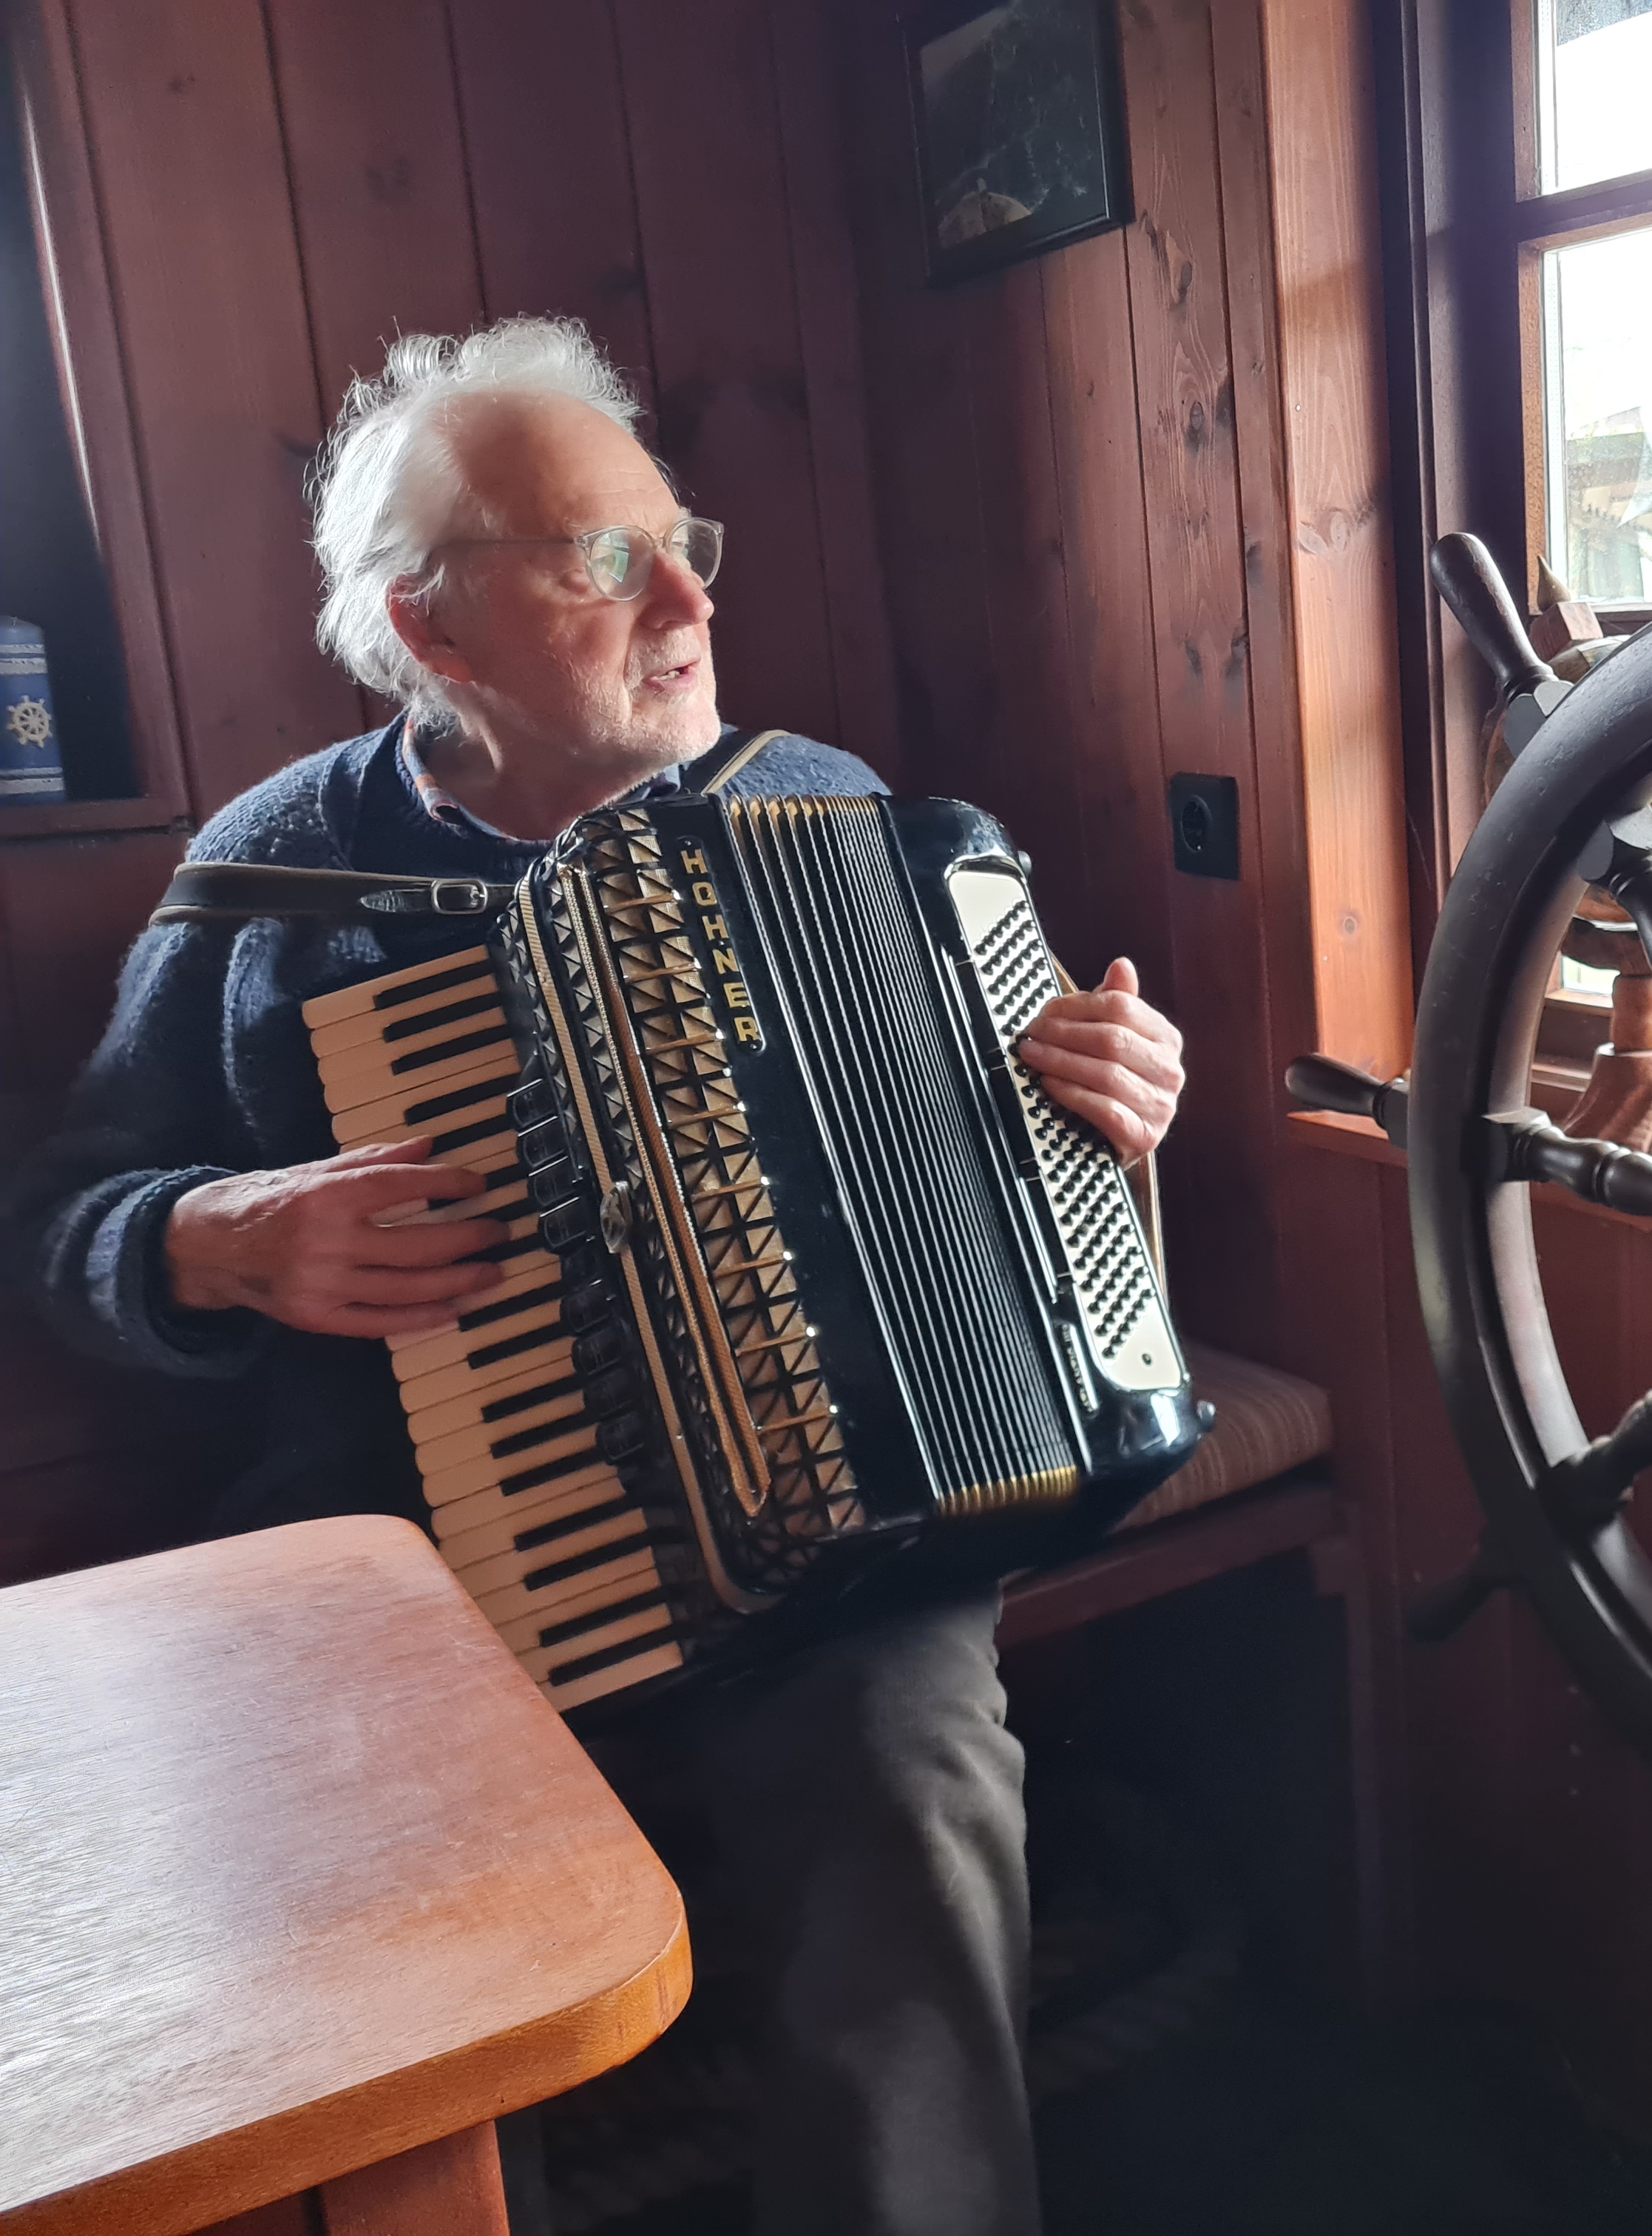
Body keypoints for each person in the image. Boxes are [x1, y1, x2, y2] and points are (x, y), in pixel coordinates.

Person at [3, 316, 1186, 2235]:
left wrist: (1108, 1098)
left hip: (829, 1545)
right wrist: (216, 1240)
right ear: (438, 630)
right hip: (402, 1561)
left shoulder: (835, 814)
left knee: (912, 1772)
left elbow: (1007, 1215)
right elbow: (66, 1221)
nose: (687, 594)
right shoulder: (273, 877)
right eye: (594, 555)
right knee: (380, 1878)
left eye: (677, 535)